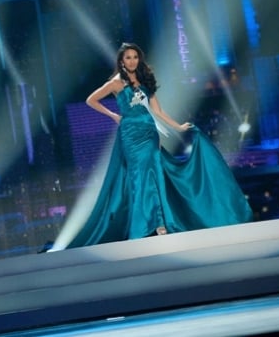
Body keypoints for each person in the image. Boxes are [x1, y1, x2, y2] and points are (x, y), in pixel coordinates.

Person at [67, 42, 253, 247]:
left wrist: (179, 127)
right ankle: (146, 225)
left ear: (139, 59)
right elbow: (91, 100)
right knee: (139, 176)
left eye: (135, 57)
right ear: (121, 61)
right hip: (130, 135)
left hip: (149, 133)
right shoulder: (116, 83)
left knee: (153, 172)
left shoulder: (146, 80)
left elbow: (158, 111)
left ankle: (159, 223)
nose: (132, 61)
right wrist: (113, 116)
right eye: (128, 57)